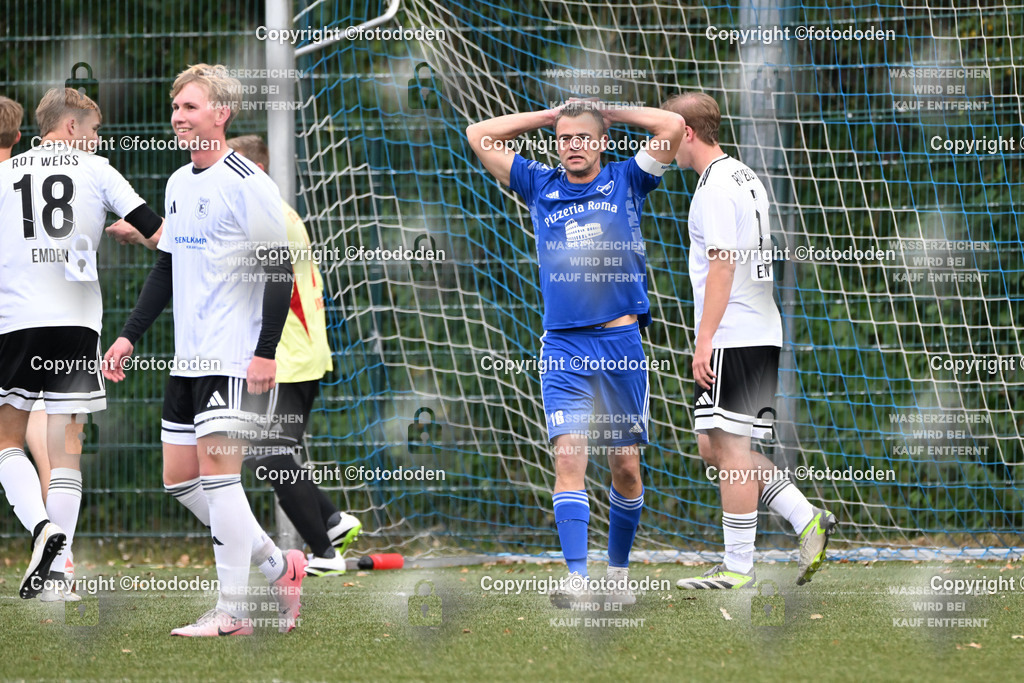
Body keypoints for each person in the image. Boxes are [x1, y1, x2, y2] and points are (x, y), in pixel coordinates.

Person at [103, 64, 304, 636]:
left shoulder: (248, 182)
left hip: (234, 356)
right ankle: (279, 567)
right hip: (186, 358)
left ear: (222, 114)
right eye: (175, 107)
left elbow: (278, 268)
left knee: (220, 477)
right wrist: (129, 335)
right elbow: (167, 269)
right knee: (180, 480)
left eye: (190, 107)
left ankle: (233, 612)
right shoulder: (177, 183)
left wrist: (265, 352)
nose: (178, 117)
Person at [108, 134, 362, 576]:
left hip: (283, 353)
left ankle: (321, 552)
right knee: (249, 459)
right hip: (277, 352)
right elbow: (197, 251)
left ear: (254, 170)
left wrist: (149, 232)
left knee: (267, 455)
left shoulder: (262, 204)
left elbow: (215, 254)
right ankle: (326, 527)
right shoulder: (249, 203)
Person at [466, 100, 684, 606]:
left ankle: (618, 576)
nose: (574, 147)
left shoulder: (629, 180)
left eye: (584, 138)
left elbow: (672, 125)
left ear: (602, 142)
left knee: (625, 466)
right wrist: (550, 117)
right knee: (568, 456)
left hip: (620, 346)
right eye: (565, 139)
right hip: (564, 345)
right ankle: (576, 578)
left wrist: (607, 112)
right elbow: (479, 134)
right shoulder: (539, 184)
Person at [662, 93, 837, 590]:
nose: (661, 143)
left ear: (686, 132)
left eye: (666, 132)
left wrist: (704, 340)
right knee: (713, 446)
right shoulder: (741, 173)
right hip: (755, 328)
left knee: (731, 448)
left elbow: (723, 265)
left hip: (735, 333)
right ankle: (806, 517)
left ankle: (738, 567)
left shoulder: (715, 187)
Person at [0, 88, 163, 602]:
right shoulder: (98, 171)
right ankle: (58, 576)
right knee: (67, 450)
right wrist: (139, 236)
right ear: (71, 127)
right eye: (93, 130)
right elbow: (162, 234)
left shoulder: (5, 173)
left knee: (6, 441)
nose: (97, 139)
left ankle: (41, 528)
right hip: (77, 325)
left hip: (17, 323)